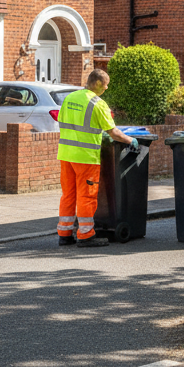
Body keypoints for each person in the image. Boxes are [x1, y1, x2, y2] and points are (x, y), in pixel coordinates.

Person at [57, 69, 136, 248]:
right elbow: (114, 133)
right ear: (99, 83)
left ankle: (64, 234)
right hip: (85, 157)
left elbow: (61, 121)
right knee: (86, 196)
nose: (107, 88)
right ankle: (85, 235)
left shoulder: (70, 98)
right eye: (106, 84)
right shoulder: (97, 103)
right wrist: (131, 140)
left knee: (68, 195)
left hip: (65, 155)